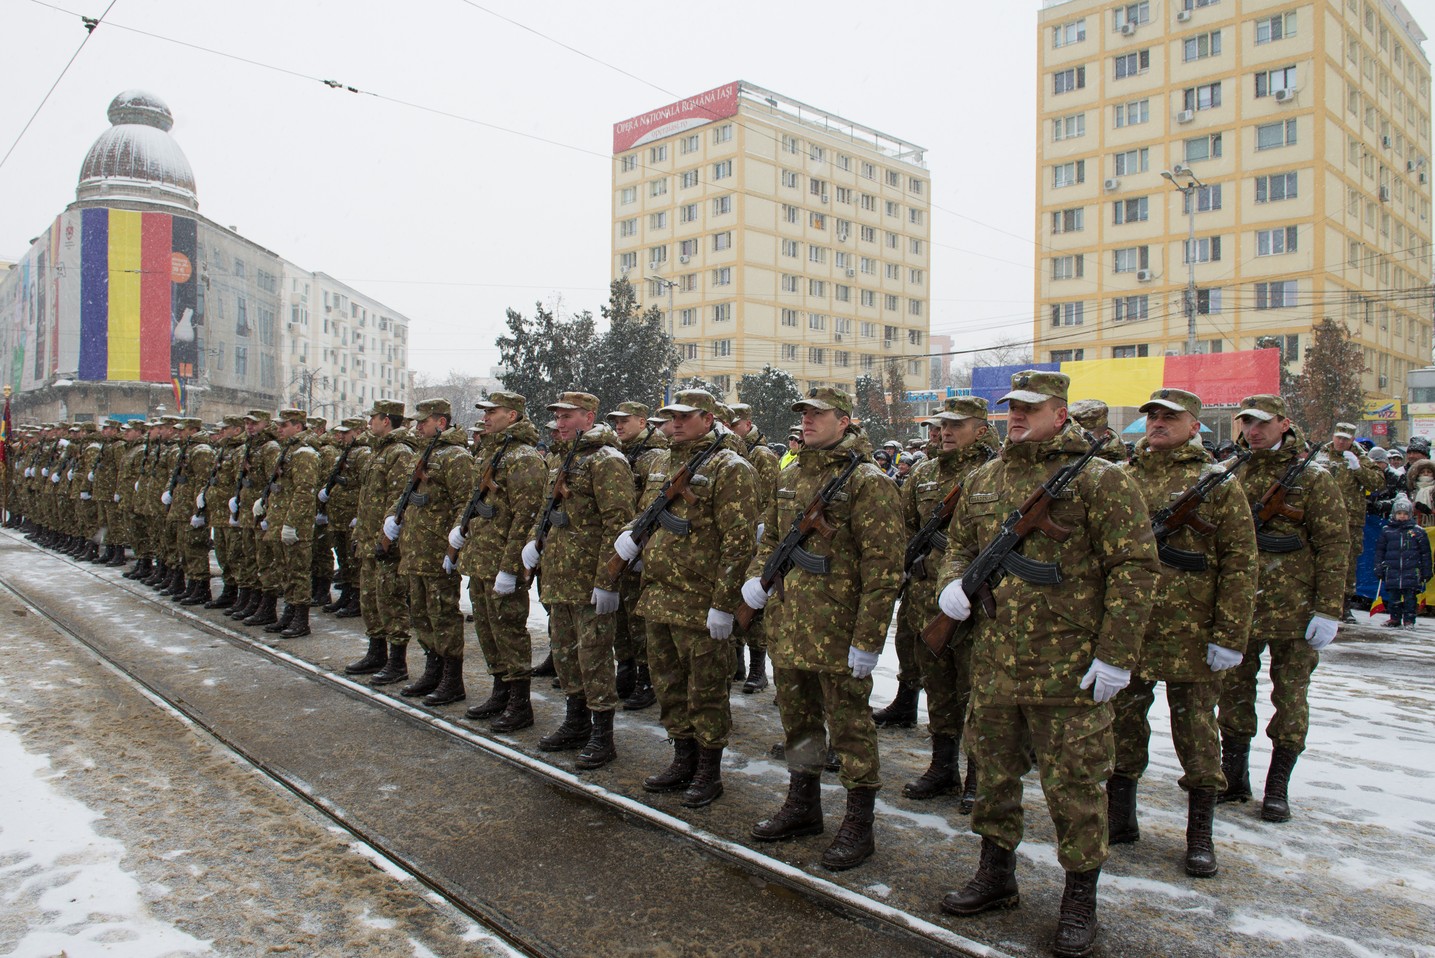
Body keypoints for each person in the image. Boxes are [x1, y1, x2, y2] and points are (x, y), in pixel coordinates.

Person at [934, 370, 1158, 958]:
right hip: (996, 662)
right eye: (1011, 406)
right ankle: (995, 874)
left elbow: (1134, 568)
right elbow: (958, 544)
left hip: (1070, 666)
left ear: (1060, 414)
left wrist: (1116, 655)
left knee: (1077, 788)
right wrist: (950, 587)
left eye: (1029, 407)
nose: (1016, 415)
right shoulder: (985, 477)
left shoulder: (1101, 480)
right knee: (993, 774)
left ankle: (1079, 898)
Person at [743, 387, 903, 871]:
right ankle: (803, 804)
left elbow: (884, 569)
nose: (808, 421)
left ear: (846, 421)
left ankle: (859, 823)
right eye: (804, 414)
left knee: (851, 731)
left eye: (819, 414)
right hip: (790, 622)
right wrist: (756, 580)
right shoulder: (789, 475)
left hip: (840, 630)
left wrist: (868, 640)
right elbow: (771, 538)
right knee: (799, 722)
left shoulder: (869, 482)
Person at [1110, 389, 1257, 878]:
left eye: (1169, 417)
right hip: (1131, 628)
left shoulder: (1217, 484)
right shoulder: (1123, 476)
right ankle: (1120, 818)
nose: (1157, 423)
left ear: (1195, 425)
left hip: (1192, 632)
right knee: (1122, 723)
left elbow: (1240, 564)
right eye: (1151, 414)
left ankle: (1200, 836)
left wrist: (1230, 634)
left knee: (1196, 732)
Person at [617, 389, 755, 807]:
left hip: (700, 601)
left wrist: (724, 603)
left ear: (708, 418)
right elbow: (647, 511)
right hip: (658, 595)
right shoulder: (662, 462)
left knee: (706, 691)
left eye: (685, 416)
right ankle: (683, 758)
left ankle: (708, 771)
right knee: (669, 685)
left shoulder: (731, 468)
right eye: (670, 417)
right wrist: (630, 537)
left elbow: (739, 541)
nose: (674, 424)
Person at [1217, 394, 1346, 824]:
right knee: (1233, 695)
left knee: (1290, 700)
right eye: (1246, 423)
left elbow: (1333, 546)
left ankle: (1277, 788)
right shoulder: (1231, 470)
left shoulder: (1313, 478)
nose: (1252, 431)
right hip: (1241, 608)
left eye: (1261, 424)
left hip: (1296, 609)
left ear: (1284, 423)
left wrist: (1328, 609)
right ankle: (1233, 777)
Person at [522, 392, 634, 770]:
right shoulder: (561, 458)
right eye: (556, 415)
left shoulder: (607, 460)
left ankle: (603, 734)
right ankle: (575, 721)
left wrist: (607, 580)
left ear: (588, 416)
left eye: (567, 415)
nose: (560, 422)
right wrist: (534, 545)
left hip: (589, 581)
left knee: (595, 657)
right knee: (566, 654)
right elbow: (549, 510)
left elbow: (618, 525)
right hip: (558, 577)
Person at [899, 397, 998, 810]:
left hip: (978, 603)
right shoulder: (922, 473)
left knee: (974, 691)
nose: (945, 431)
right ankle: (942, 767)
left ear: (980, 429)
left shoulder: (993, 475)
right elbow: (905, 528)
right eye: (942, 425)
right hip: (928, 600)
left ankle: (978, 775)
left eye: (957, 425)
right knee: (937, 687)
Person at [452, 392, 546, 730]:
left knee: (509, 631)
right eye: (485, 412)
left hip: (500, 563)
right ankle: (500, 690)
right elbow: (474, 500)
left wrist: (509, 568)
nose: (486, 417)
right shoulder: (489, 452)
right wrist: (460, 532)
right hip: (480, 557)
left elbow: (525, 518)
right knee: (488, 630)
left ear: (513, 414)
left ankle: (520, 703)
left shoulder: (523, 458)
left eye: (493, 412)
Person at [384, 398, 476, 706]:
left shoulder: (456, 456)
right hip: (415, 550)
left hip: (438, 551)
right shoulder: (423, 453)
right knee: (421, 614)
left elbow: (466, 502)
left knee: (443, 615)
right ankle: (432, 669)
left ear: (442, 422)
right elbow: (407, 495)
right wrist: (392, 518)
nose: (418, 425)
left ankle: (452, 679)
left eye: (424, 420)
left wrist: (455, 541)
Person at [352, 401, 419, 683]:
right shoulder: (377, 452)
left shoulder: (400, 453)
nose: (370, 423)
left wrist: (388, 536)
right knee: (370, 599)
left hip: (386, 542)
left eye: (374, 418)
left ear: (387, 421)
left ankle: (397, 661)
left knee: (390, 600)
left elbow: (398, 499)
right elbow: (368, 497)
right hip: (369, 538)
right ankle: (376, 651)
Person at [607, 401, 668, 708]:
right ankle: (627, 668)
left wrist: (641, 544)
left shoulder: (654, 457)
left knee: (637, 617)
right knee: (619, 616)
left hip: (639, 546)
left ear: (643, 421)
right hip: (618, 544)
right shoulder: (618, 454)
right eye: (615, 421)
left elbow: (651, 507)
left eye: (625, 420)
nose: (618, 425)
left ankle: (646, 677)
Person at [729, 401, 780, 694]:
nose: (730, 430)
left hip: (756, 538)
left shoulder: (761, 455)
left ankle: (757, 669)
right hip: (736, 535)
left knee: (755, 605)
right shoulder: (732, 452)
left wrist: (761, 527)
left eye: (735, 425)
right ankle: (736, 662)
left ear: (747, 425)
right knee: (733, 599)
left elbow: (771, 499)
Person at [258, 409, 322, 639]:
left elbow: (305, 491)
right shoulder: (288, 450)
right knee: (285, 570)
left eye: (284, 425)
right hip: (280, 519)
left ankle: (301, 619)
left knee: (297, 572)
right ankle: (290, 611)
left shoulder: (304, 453)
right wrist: (264, 503)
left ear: (298, 426)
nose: (279, 429)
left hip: (295, 523)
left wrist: (292, 523)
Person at [1320, 423, 1386, 622]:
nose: (1341, 442)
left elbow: (1377, 484)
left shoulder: (1361, 458)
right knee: (1320, 559)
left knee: (1348, 562)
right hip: (1322, 518)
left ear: (1352, 440)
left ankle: (1344, 605)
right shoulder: (1322, 454)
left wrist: (1358, 468)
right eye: (1338, 437)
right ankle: (1320, 605)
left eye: (1346, 439)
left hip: (1350, 520)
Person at [1374, 495, 1431, 629]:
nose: (1402, 516)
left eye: (1405, 514)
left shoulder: (1418, 532)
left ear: (1410, 515)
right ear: (1394, 514)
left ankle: (1409, 620)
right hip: (1392, 571)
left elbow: (1425, 554)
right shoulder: (1387, 531)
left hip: (1411, 572)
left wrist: (1426, 571)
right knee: (1394, 598)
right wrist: (1378, 567)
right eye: (1399, 513)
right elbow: (1380, 551)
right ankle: (1394, 618)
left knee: (1410, 598)